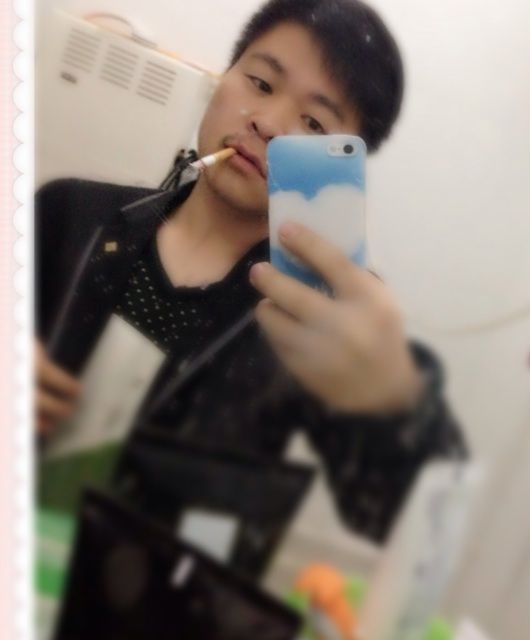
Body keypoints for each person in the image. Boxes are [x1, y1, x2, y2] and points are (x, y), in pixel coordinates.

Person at [36, 0, 467, 547]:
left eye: (314, 123)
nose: (268, 123)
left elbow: (418, 525)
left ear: (341, 168)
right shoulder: (69, 214)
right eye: (260, 83)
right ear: (224, 76)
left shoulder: (309, 324)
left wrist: (396, 400)